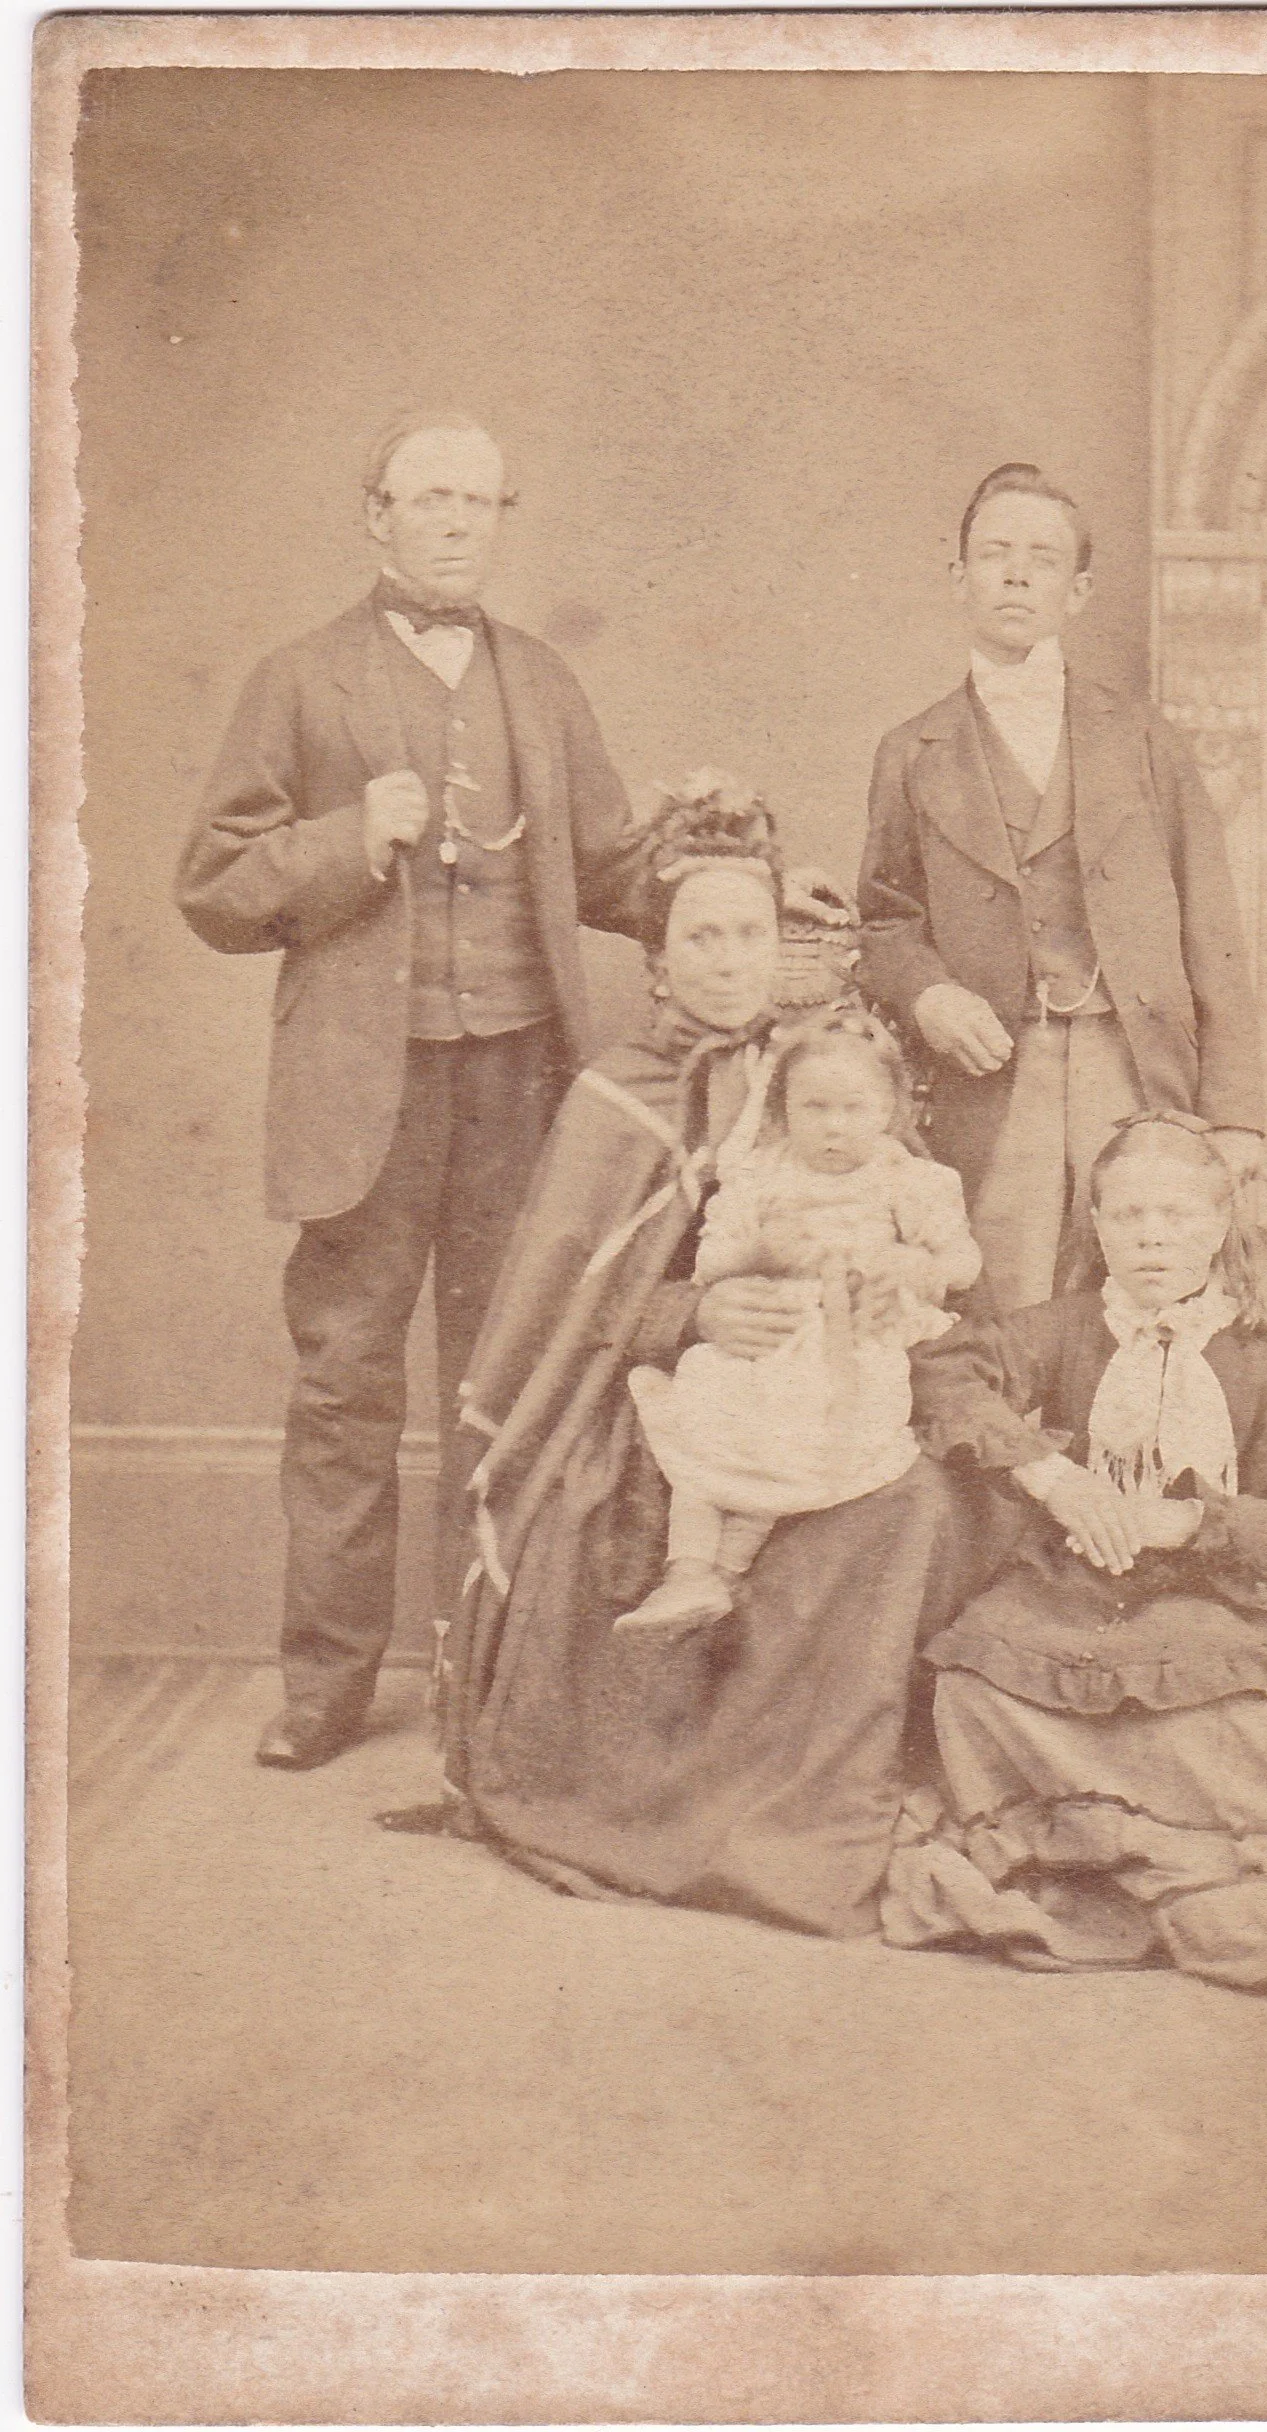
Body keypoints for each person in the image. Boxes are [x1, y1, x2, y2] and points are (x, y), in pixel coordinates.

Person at [382, 779, 1009, 1942]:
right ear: (659, 961)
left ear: (781, 948)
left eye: (750, 934)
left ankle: (816, 1790)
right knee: (610, 1520)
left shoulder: (826, 1077)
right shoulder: (619, 1094)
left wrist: (887, 1283)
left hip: (839, 1386)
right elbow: (573, 1315)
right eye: (700, 938)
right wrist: (699, 1317)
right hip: (659, 1395)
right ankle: (674, 1798)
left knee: (916, 1504)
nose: (727, 961)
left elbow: (917, 1237)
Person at [175, 410, 643, 1771]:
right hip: (359, 1099)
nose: (454, 521)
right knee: (347, 1393)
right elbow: (213, 883)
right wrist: (342, 839)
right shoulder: (300, 678)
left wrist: (718, 869)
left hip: (517, 1085)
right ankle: (324, 1689)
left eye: (478, 501)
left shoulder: (543, 684)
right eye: (427, 497)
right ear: (373, 514)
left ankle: (483, 1676)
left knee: (501, 1387)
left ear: (502, 519)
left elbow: (611, 868)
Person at [883, 1114, 1267, 1997]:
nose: (1152, 1237)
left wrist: (1190, 1526)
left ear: (1221, 1227)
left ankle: (1184, 1867)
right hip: (1073, 1595)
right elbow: (948, 1376)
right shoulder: (1065, 1328)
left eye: (1178, 1217)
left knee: (1205, 1713)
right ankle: (1087, 1863)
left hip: (1216, 1603)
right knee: (972, 1686)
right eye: (1129, 1216)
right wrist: (1053, 1479)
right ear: (1098, 1228)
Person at [858, 461, 1265, 1315]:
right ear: (958, 577)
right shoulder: (910, 749)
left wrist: (1234, 1111)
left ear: (1077, 592)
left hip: (1131, 1053)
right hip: (995, 1069)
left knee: (1141, 1282)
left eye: (1042, 558)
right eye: (995, 552)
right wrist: (929, 995)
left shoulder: (1145, 738)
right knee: (998, 1293)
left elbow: (1214, 924)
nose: (1015, 573)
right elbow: (887, 922)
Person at [617, 1010, 981, 1638]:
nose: (834, 1128)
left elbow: (963, 1263)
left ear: (891, 1108)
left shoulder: (904, 1178)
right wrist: (760, 1254)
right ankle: (688, 1569)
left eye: (854, 1108)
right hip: (768, 1331)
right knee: (708, 1402)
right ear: (785, 1107)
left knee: (798, 1433)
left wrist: (910, 1264)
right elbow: (710, 1262)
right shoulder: (762, 1174)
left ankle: (724, 1574)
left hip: (850, 1339)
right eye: (815, 1108)